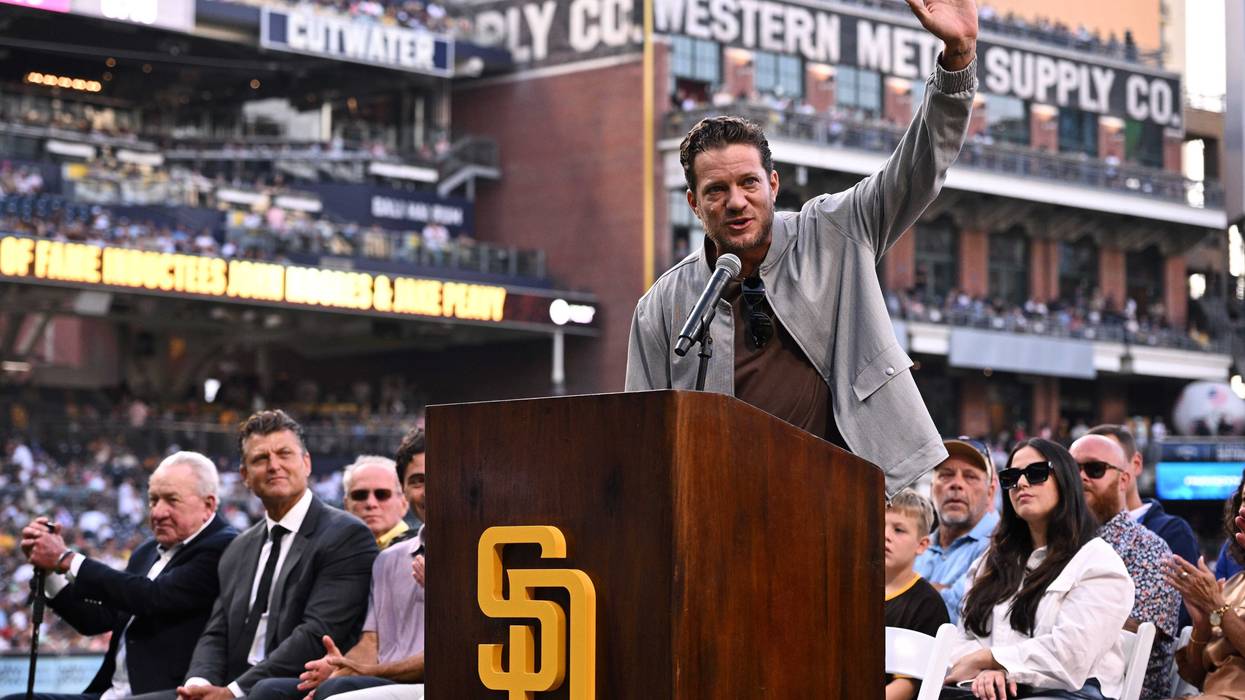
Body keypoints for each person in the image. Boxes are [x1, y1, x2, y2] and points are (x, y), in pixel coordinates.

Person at [624, 0, 980, 496]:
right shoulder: (661, 306)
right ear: (693, 203)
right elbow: (639, 434)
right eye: (716, 191)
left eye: (748, 183)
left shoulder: (835, 228)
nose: (735, 202)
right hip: (720, 508)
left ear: (773, 183)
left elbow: (921, 165)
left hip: (842, 495)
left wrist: (957, 59)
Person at [154, 410, 378, 700]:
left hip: (291, 688)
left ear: (306, 463)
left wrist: (233, 692)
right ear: (245, 476)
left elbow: (316, 634)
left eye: (284, 454)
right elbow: (217, 633)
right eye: (261, 458)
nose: (274, 466)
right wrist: (199, 684)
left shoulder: (346, 535)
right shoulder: (239, 547)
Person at [1, 452, 238, 700]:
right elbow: (98, 620)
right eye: (153, 500)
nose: (157, 513)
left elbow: (152, 597)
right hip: (110, 693)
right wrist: (49, 571)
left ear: (208, 505)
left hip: (165, 694)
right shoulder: (147, 551)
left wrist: (66, 559)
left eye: (172, 500)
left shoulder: (223, 546)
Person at [943, 438, 1134, 700]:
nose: (1021, 483)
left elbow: (1069, 658)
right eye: (1011, 476)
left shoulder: (1098, 562)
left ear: (1066, 482)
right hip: (989, 690)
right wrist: (987, 672)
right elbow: (962, 638)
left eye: (1036, 473)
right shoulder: (991, 560)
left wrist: (996, 662)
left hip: (1069, 693)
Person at [248, 428, 427, 700]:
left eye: (381, 494)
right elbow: (370, 642)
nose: (370, 505)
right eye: (418, 481)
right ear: (405, 489)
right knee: (268, 691)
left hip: (429, 681)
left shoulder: (479, 551)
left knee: (336, 691)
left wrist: (359, 672)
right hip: (380, 677)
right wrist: (342, 667)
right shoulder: (387, 560)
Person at [1068, 434, 1178, 700]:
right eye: (1072, 470)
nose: (1081, 477)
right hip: (1054, 680)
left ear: (1124, 479)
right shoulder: (1053, 544)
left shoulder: (1149, 549)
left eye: (1095, 469)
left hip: (1122, 690)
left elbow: (1128, 638)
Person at [1164, 469, 1245, 698]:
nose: (1243, 510)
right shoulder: (1233, 584)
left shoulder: (1220, 595)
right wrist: (1202, 623)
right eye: (1244, 500)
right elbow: (1199, 677)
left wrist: (1217, 606)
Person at [1087, 424, 1199, 564]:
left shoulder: (1172, 532)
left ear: (1136, 464)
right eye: (1077, 467)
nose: (1084, 476)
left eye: (1097, 467)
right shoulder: (1072, 532)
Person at [916, 438, 999, 623]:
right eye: (946, 474)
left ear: (990, 492)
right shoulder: (919, 542)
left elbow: (959, 614)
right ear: (931, 489)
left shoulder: (1004, 543)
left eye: (970, 476)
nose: (957, 484)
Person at [885, 489, 950, 700]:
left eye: (898, 530)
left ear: (922, 545)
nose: (885, 535)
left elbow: (906, 686)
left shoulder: (926, 604)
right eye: (878, 525)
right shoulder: (851, 591)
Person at [341, 455, 410, 549]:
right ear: (346, 505)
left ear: (404, 503)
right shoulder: (331, 554)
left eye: (382, 494)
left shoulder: (426, 552)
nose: (371, 503)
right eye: (360, 495)